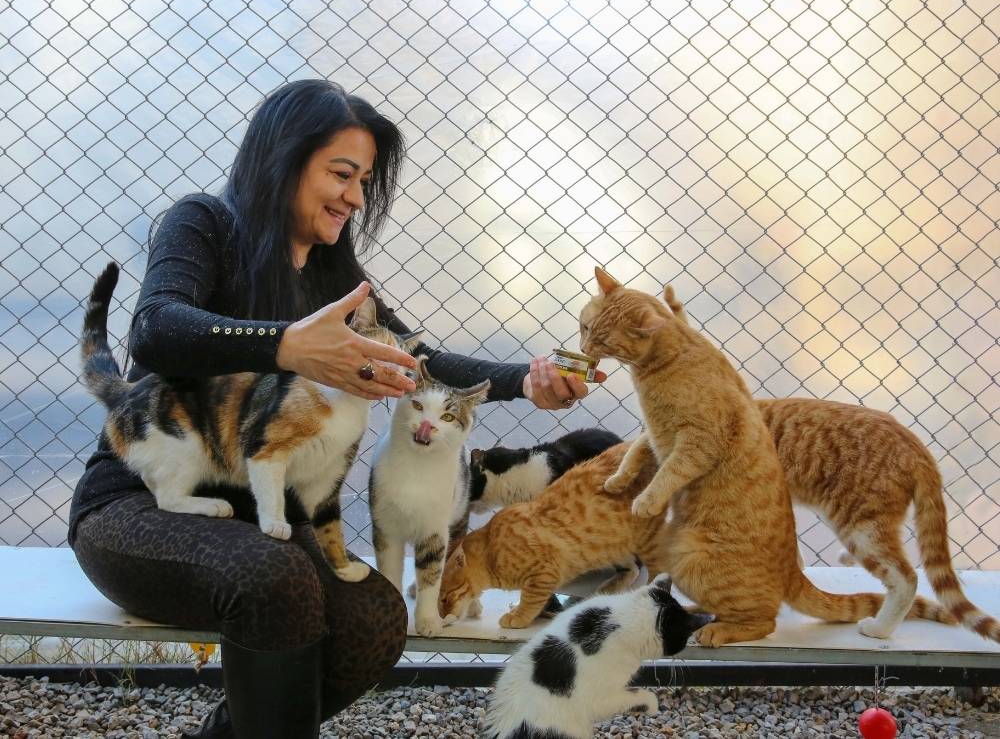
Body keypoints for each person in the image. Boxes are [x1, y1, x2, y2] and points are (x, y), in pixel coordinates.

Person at [68, 79, 605, 738]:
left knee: (376, 616)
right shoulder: (203, 223)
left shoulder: (330, 270)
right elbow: (156, 327)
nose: (356, 196)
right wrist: (287, 345)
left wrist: (528, 380)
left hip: (257, 524)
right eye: (342, 174)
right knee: (274, 578)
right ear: (285, 161)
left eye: (364, 180)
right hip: (136, 508)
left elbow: (419, 360)